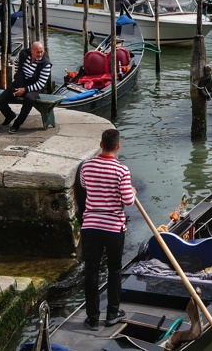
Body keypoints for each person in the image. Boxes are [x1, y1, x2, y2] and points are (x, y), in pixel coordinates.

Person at [79, 128, 135, 329]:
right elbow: (128, 201)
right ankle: (112, 313)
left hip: (90, 226)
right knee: (114, 270)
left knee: (91, 272)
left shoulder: (86, 166)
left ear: (101, 144)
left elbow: (85, 186)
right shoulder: (122, 170)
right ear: (117, 147)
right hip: (112, 227)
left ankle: (92, 318)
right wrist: (132, 191)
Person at [0, 41, 52, 133]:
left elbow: (41, 83)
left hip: (34, 86)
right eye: (38, 52)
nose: (40, 54)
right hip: (20, 82)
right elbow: (17, 63)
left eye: (41, 52)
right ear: (31, 51)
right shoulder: (23, 54)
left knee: (29, 99)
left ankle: (17, 124)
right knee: (0, 101)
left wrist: (25, 90)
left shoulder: (46, 64)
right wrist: (19, 76)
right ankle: (10, 115)